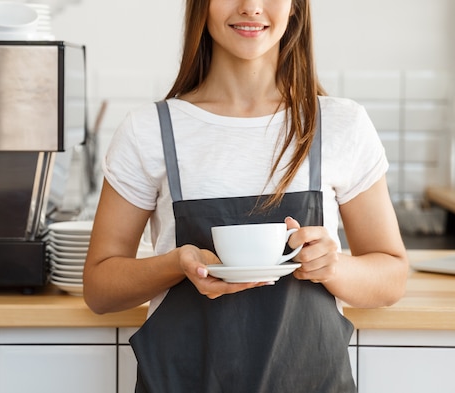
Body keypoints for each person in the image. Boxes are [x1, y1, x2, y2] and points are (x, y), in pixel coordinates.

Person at [83, 0, 409, 392]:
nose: (251, 7)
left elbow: (392, 278)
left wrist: (333, 267)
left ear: (296, 7)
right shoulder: (149, 131)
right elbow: (100, 288)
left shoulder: (340, 124)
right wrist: (176, 264)